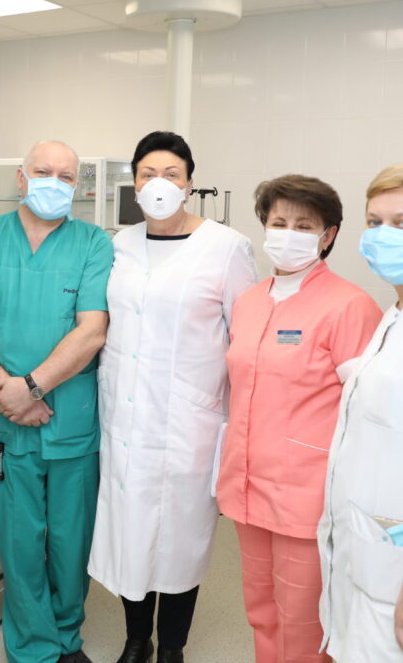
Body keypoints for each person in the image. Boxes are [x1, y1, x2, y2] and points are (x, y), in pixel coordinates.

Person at [87, 131, 258, 663]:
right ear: (135, 183)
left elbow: (245, 340)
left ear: (188, 183)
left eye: (171, 174)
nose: (158, 184)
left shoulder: (227, 247)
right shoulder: (118, 244)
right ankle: (136, 640)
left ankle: (173, 649)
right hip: (124, 417)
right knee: (130, 534)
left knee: (182, 541)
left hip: (190, 421)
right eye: (148, 174)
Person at [0, 140, 112, 663]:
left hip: (71, 419)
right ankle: (33, 649)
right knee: (20, 543)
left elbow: (91, 332)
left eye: (66, 176)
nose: (54, 183)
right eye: (44, 172)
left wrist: (32, 388)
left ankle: (67, 637)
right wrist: (10, 392)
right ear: (21, 179)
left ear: (78, 186)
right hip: (7, 422)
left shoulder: (94, 244)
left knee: (71, 541)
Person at [216, 175, 381, 663]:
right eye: (279, 221)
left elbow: (372, 413)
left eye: (303, 225)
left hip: (307, 498)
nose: (288, 233)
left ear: (328, 235)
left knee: (303, 622)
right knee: (261, 611)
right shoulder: (249, 303)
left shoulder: (349, 306)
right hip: (247, 488)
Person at [318, 163, 403, 662]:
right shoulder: (392, 315)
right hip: (369, 555)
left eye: (401, 223)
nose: (384, 235)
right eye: (375, 223)